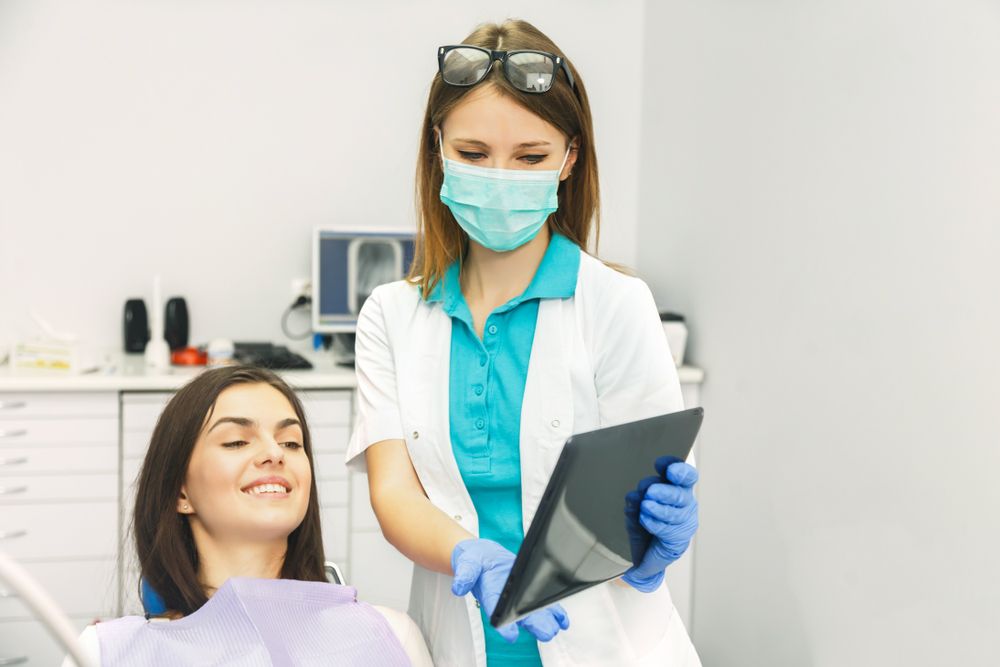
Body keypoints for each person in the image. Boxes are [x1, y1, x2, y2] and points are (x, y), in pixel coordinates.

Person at [346, 19, 702, 667]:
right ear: (437, 148)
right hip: (459, 641)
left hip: (605, 643)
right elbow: (393, 492)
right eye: (474, 153)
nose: (501, 176)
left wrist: (652, 547)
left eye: (531, 156)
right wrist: (465, 552)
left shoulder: (617, 306)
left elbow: (640, 493)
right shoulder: (391, 316)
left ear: (569, 158)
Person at [63, 365, 432, 666]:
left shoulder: (391, 635)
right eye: (237, 441)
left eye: (291, 442)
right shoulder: (104, 654)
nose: (275, 453)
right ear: (180, 492)